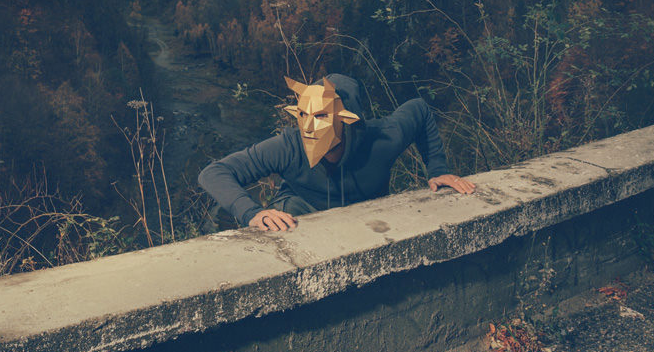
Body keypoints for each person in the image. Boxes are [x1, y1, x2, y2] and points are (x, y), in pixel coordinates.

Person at [199, 72, 476, 232]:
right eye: (303, 114)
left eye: (319, 116)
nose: (308, 126)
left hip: (366, 221)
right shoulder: (289, 145)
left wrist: (438, 169)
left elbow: (419, 109)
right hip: (299, 216)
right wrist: (251, 212)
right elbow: (214, 172)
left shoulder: (382, 140)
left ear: (345, 118)